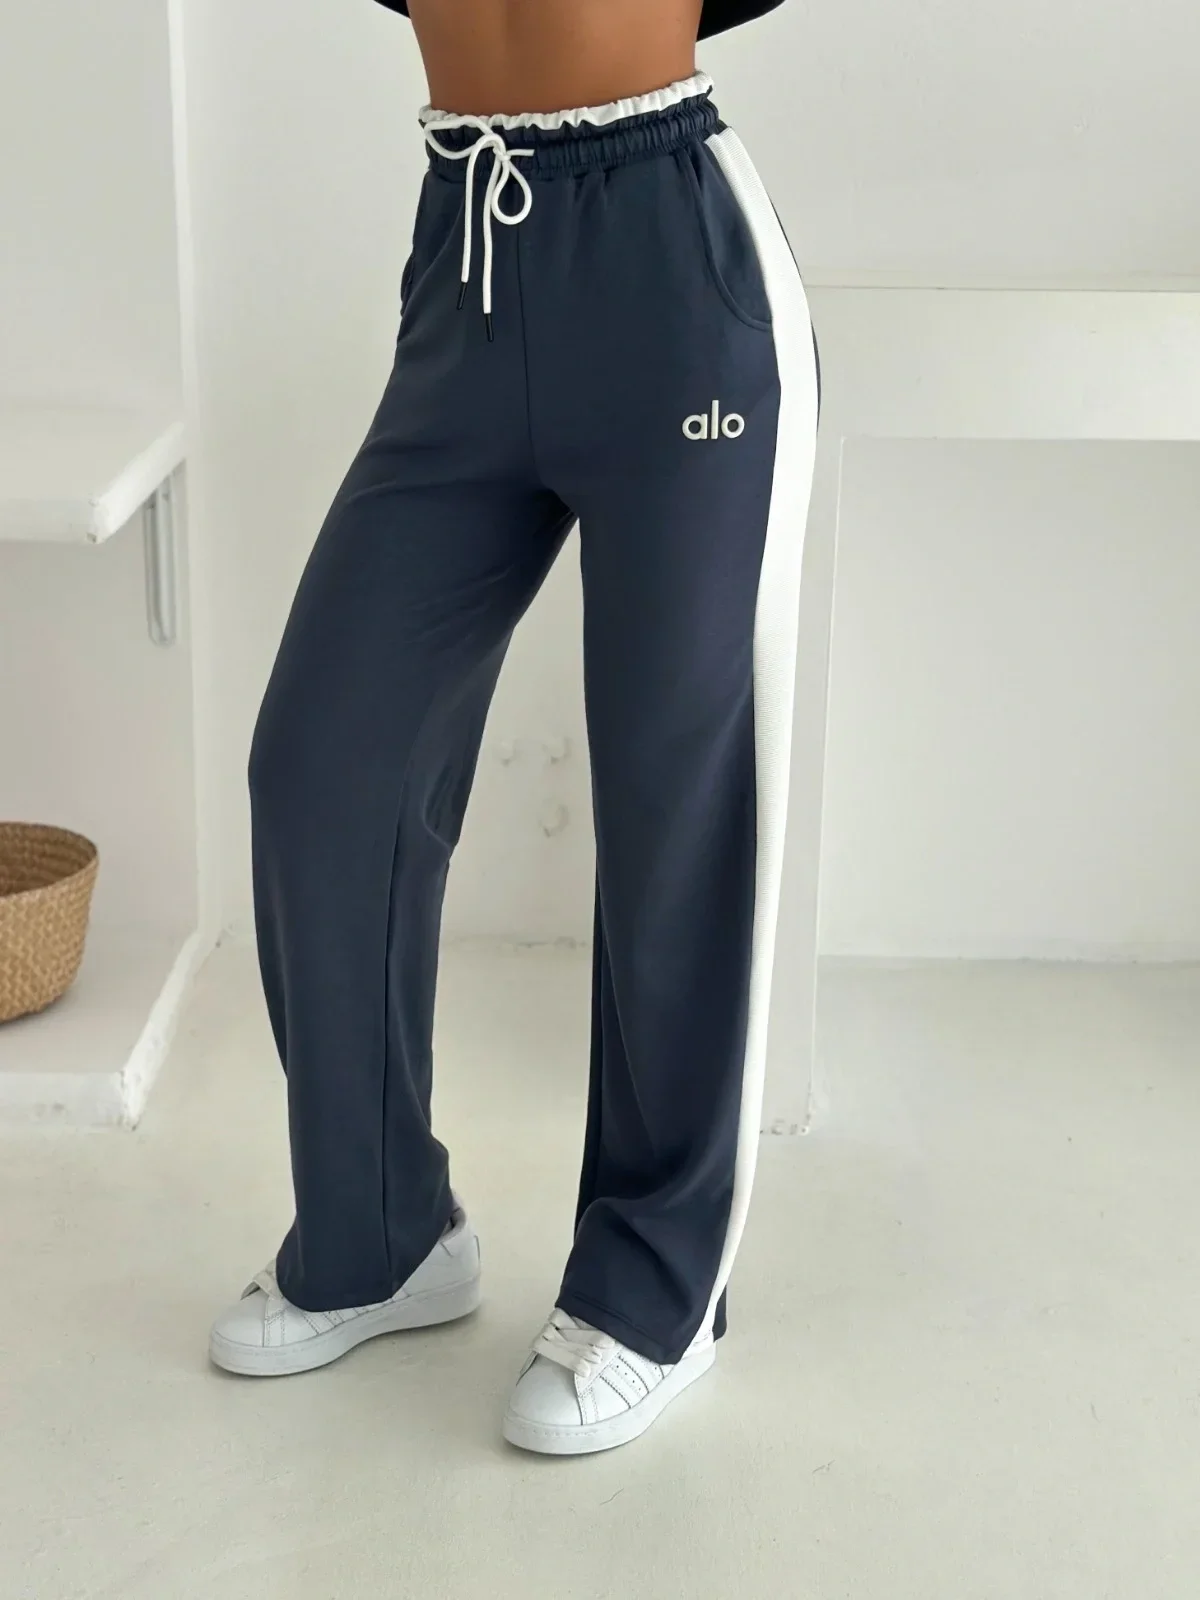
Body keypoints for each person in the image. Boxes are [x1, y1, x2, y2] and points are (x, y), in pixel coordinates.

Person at [208, 0, 818, 1457]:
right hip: (470, 251)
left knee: (677, 802)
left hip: (670, 256)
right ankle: (380, 1232)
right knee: (322, 765)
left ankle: (658, 1286)